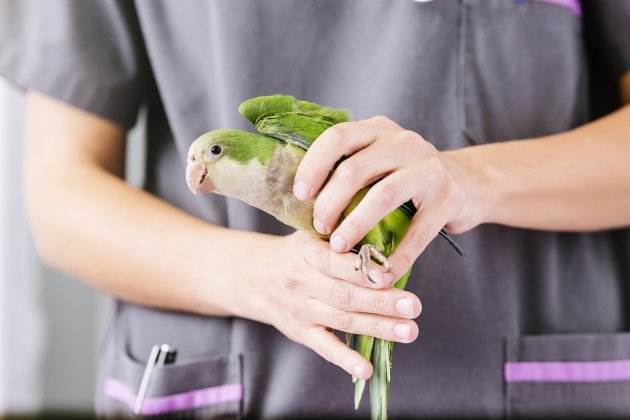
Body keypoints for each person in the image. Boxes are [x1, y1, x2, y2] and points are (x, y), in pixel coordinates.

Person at [1, 0, 629, 417]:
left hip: (525, 377)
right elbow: (62, 195)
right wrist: (256, 278)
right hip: (225, 386)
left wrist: (473, 178)